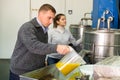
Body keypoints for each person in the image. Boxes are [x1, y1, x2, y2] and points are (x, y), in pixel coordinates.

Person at [9, 4, 70, 80]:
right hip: (21, 71)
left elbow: (42, 48)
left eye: (52, 18)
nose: (51, 21)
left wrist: (43, 61)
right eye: (49, 18)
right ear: (40, 14)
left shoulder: (44, 30)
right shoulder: (27, 27)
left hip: (35, 69)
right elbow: (34, 46)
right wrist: (56, 47)